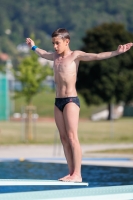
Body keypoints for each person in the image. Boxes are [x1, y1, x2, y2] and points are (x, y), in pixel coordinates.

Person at [26, 28, 133, 182]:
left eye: (57, 43)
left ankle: (78, 174)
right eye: (53, 43)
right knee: (63, 138)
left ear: (66, 41)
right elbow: (42, 53)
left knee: (72, 137)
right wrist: (33, 47)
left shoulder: (75, 55)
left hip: (70, 100)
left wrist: (116, 52)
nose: (55, 46)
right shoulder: (55, 57)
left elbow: (96, 56)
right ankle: (71, 173)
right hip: (58, 102)